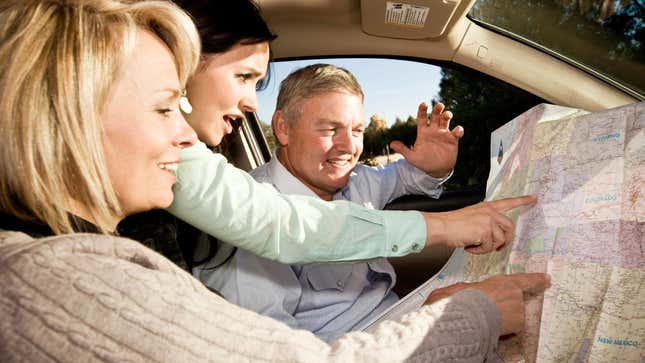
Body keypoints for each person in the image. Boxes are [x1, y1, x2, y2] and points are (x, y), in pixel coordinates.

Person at [0, 1, 551, 361]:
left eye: (357, 130)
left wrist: (435, 181)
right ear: (70, 114)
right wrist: (461, 309)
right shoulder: (54, 277)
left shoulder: (99, 250)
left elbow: (401, 181)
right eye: (167, 107)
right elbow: (281, 228)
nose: (185, 137)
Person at [195, 63, 464, 341]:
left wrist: (434, 169)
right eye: (331, 129)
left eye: (357, 130)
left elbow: (404, 177)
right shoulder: (246, 219)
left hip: (396, 320)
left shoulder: (357, 180)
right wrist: (420, 325)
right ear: (283, 128)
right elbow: (276, 351)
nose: (349, 147)